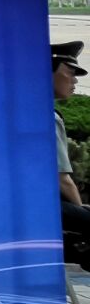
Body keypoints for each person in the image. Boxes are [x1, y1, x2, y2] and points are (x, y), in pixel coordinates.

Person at [56, 42, 90, 269]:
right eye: (70, 72)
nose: (75, 81)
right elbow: (63, 180)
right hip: (45, 206)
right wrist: (80, 210)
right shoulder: (47, 117)